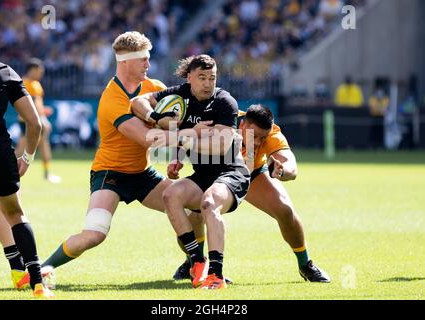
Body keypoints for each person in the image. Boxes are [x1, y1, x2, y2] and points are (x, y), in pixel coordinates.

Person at [41, 32, 205, 278]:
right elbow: (145, 137)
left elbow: (177, 124)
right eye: (144, 60)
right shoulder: (112, 99)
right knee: (95, 233)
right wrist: (189, 134)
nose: (148, 65)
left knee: (195, 211)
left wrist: (178, 155)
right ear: (126, 61)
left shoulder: (156, 88)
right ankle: (43, 268)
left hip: (142, 174)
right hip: (110, 173)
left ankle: (193, 265)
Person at [172, 104, 331, 283]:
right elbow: (189, 136)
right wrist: (176, 158)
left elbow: (290, 163)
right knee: (192, 220)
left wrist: (282, 171)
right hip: (214, 174)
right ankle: (194, 262)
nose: (257, 142)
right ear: (242, 125)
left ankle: (305, 265)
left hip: (251, 173)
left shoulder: (272, 134)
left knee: (285, 209)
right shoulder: (222, 120)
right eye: (254, 136)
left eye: (262, 138)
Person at [131, 54, 251, 290]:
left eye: (212, 78)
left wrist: (184, 138)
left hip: (231, 171)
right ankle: (196, 261)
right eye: (202, 78)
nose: (208, 83)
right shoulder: (181, 94)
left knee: (209, 203)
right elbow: (137, 102)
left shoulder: (225, 102)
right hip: (203, 174)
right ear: (189, 78)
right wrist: (157, 118)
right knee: (170, 195)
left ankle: (216, 275)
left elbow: (221, 146)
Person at [0, 15, 53, 298]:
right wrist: (27, 159)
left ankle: (18, 270)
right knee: (16, 214)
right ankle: (37, 284)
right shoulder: (5, 71)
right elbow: (35, 124)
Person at [16, 58, 61, 183]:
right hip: (32, 121)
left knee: (33, 146)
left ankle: (47, 174)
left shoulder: (32, 83)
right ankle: (47, 174)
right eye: (39, 71)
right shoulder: (28, 83)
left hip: (26, 120)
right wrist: (42, 118)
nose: (41, 74)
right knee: (32, 147)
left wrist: (43, 111)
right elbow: (33, 106)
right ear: (32, 70)